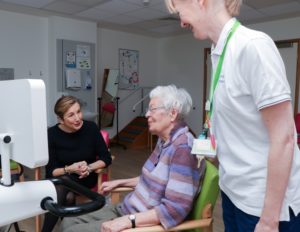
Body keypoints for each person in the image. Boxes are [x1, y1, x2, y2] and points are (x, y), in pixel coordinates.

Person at [165, 0, 300, 231]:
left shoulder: (253, 46)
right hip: (233, 192)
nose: (181, 22)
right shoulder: (218, 53)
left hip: (262, 205)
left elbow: (284, 139)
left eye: (180, 12)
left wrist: (269, 220)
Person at [60, 85, 206, 232]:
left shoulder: (182, 149)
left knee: (70, 231)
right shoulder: (165, 141)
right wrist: (120, 182)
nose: (147, 114)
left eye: (152, 109)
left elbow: (175, 209)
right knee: (67, 221)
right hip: (127, 209)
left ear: (172, 113)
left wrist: (128, 221)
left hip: (139, 222)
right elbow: (151, 179)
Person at [42, 95, 112, 232]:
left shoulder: (91, 128)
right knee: (66, 192)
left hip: (84, 179)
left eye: (78, 111)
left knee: (62, 188)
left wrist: (90, 167)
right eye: (71, 115)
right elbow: (51, 171)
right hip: (61, 178)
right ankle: (69, 228)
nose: (78, 118)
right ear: (61, 119)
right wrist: (70, 169)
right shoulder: (51, 134)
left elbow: (106, 158)